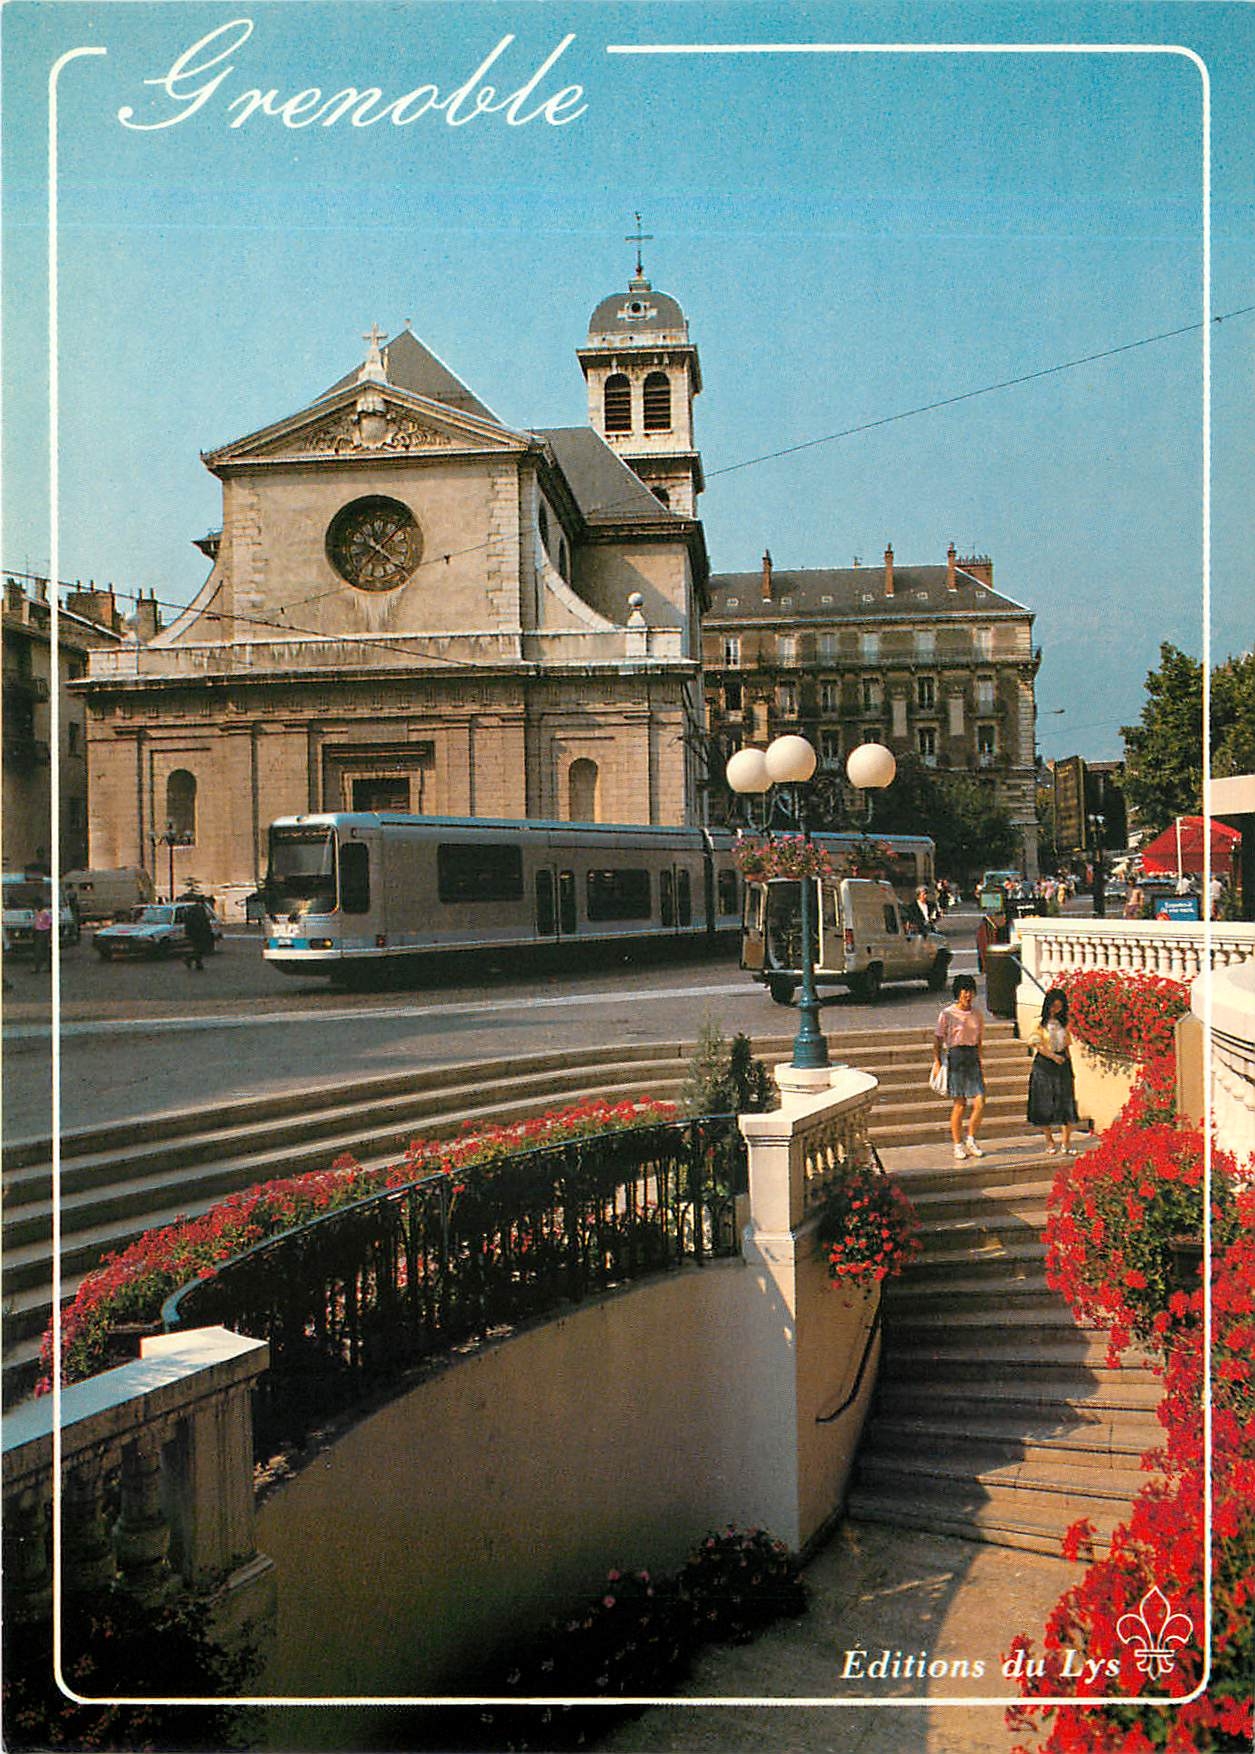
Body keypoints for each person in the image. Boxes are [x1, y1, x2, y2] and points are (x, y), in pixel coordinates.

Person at [933, 973, 988, 1164]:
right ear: (958, 993)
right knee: (960, 1104)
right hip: (956, 1057)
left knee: (980, 1101)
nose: (968, 995)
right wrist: (937, 1062)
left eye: (971, 991)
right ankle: (957, 1144)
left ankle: (971, 1138)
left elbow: (979, 1039)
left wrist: (980, 1058)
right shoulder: (947, 1014)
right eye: (965, 991)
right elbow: (938, 1039)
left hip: (972, 1057)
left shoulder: (977, 1014)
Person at [1027, 987, 1079, 1155]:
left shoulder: (1065, 1023)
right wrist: (1053, 1057)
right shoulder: (1039, 1023)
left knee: (1066, 1102)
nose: (1056, 1010)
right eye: (1053, 1006)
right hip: (1044, 1063)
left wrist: (1069, 1065)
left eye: (1059, 1007)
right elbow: (1037, 1044)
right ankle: (1049, 1140)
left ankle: (1066, 1142)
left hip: (1062, 1062)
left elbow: (1067, 1046)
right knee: (1044, 1102)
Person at [182, 899, 215, 971]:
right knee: (200, 949)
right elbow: (202, 922)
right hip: (199, 933)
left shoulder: (192, 910)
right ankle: (191, 959)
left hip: (195, 932)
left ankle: (197, 962)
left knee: (198, 948)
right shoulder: (198, 910)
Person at [30, 903, 53, 973]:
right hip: (38, 932)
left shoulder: (46, 913)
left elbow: (50, 923)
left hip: (44, 932)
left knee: (44, 950)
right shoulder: (36, 913)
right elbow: (35, 923)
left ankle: (48, 967)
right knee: (38, 951)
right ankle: (38, 967)